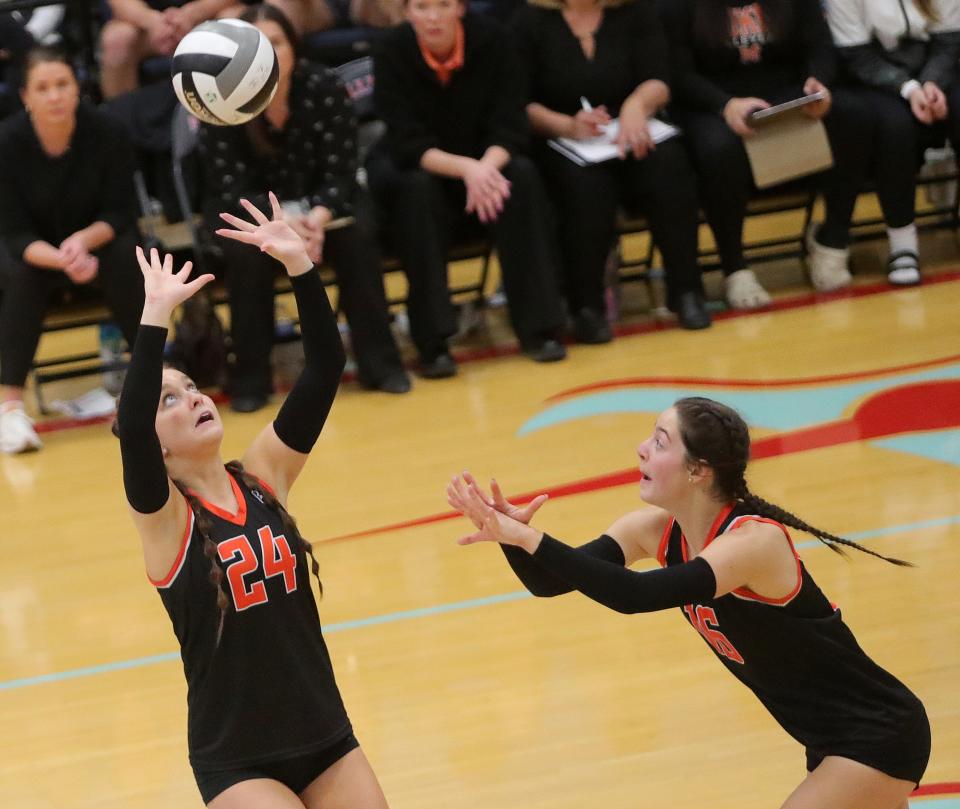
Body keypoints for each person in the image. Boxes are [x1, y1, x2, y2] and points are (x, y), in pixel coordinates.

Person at [447, 395, 930, 809]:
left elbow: (636, 595)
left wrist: (530, 538)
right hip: (828, 737)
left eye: (659, 441)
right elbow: (549, 582)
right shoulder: (652, 529)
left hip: (877, 733)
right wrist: (509, 536)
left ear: (698, 470)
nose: (641, 448)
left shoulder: (753, 543)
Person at [114, 193, 391, 808]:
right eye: (167, 400)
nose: (190, 398)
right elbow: (129, 428)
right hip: (238, 759)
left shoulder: (266, 475)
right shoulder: (167, 522)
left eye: (189, 388)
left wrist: (299, 266)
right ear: (154, 449)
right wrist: (155, 315)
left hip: (325, 735)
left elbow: (323, 367)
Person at [199, 3, 410, 411]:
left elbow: (344, 169)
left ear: (294, 46)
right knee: (245, 253)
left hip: (322, 207)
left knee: (358, 234)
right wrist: (283, 225)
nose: (271, 55)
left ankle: (381, 364)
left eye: (277, 43)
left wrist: (316, 217)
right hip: (255, 213)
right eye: (260, 46)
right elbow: (229, 185)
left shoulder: (324, 87)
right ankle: (250, 379)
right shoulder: (221, 100)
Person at [368, 0, 567, 377]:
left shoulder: (494, 40)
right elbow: (406, 142)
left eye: (442, 4)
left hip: (485, 163)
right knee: (415, 192)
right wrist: (468, 171)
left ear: (459, 8)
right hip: (428, 168)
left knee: (521, 177)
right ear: (407, 12)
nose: (432, 16)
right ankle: (433, 342)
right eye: (421, 6)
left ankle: (539, 329)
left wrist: (484, 171)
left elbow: (510, 123)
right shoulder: (391, 49)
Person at [511, 0, 711, 336]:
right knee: (585, 185)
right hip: (564, 139)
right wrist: (566, 125)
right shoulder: (529, 22)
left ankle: (687, 291)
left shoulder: (635, 12)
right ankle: (586, 306)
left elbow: (660, 80)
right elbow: (518, 102)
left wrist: (636, 105)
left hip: (631, 130)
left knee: (668, 164)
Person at [659, 0, 875, 309]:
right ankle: (734, 267)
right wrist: (724, 104)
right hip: (712, 102)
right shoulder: (677, 7)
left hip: (782, 91)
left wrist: (818, 82)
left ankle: (832, 239)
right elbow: (677, 74)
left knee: (853, 116)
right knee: (717, 149)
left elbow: (819, 44)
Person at [0, 46, 143, 454]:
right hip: (34, 251)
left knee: (127, 253)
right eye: (42, 88)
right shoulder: (7, 143)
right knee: (22, 275)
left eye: (62, 84)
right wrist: (62, 258)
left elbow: (120, 212)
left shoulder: (108, 131)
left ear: (76, 87)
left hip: (96, 240)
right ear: (26, 97)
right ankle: (9, 406)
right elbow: (13, 233)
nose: (54, 96)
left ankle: (155, 381)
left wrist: (82, 243)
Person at [824, 0, 960, 286]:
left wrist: (932, 83)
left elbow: (949, 42)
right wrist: (909, 89)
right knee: (894, 125)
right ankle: (903, 244)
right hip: (872, 77)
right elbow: (857, 56)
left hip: (933, 69)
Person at [99, 0, 239, 99]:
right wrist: (152, 21)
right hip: (149, 28)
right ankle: (122, 125)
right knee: (116, 39)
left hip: (207, 19)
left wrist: (191, 14)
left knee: (234, 24)